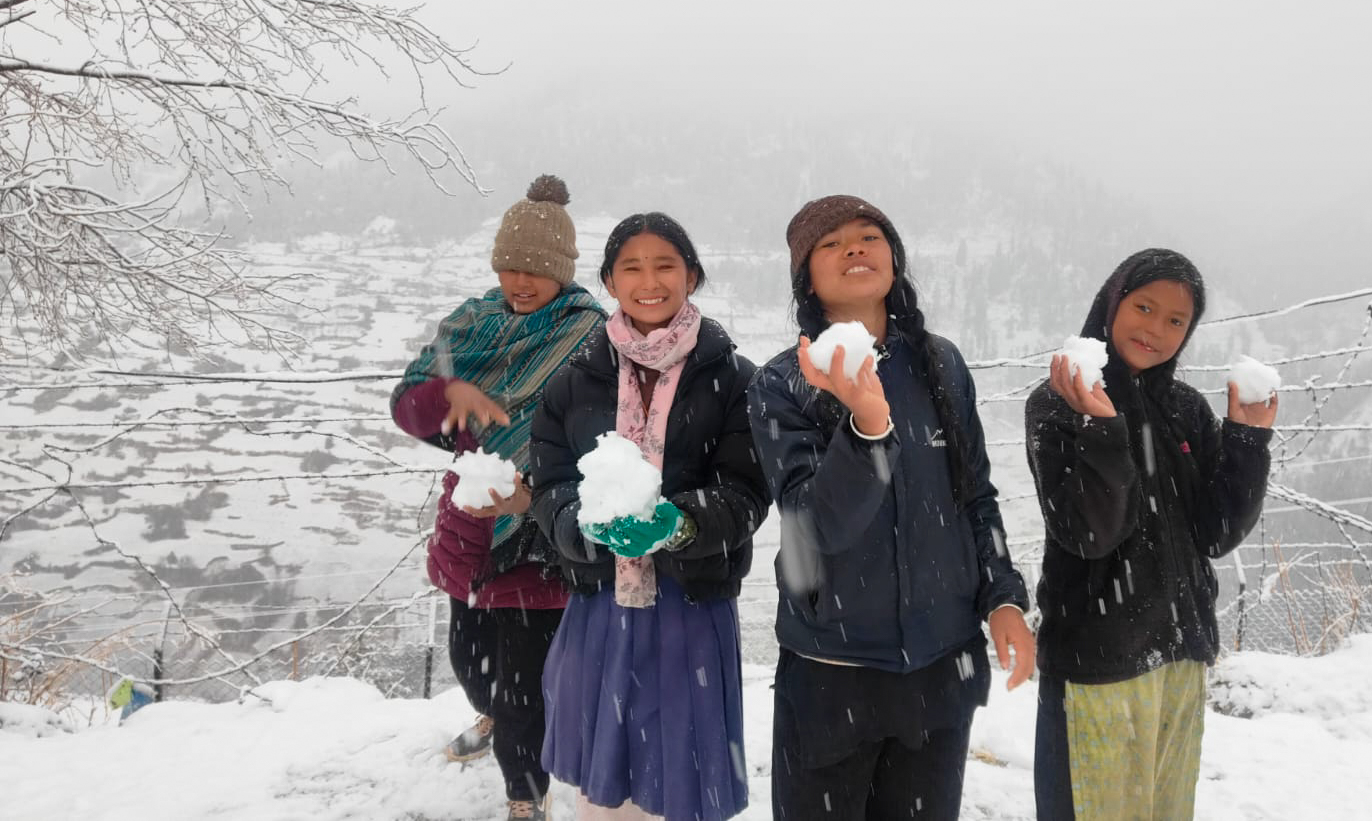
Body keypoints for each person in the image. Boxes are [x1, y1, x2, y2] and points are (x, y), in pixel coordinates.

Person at [746, 194, 1035, 821]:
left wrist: (1003, 598)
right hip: (832, 670)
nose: (853, 247)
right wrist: (868, 428)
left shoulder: (940, 365)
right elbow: (816, 526)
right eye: (831, 243)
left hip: (941, 666)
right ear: (807, 279)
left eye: (869, 236)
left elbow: (975, 496)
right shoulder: (781, 384)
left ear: (894, 260)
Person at [519, 212, 769, 820]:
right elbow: (551, 485)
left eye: (665, 265)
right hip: (601, 604)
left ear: (692, 276)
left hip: (691, 605)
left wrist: (681, 524)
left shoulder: (735, 380)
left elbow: (746, 490)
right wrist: (581, 524)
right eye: (630, 267)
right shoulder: (574, 382)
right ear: (609, 281)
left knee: (683, 774)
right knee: (605, 788)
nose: (648, 281)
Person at [1025, 247, 1277, 820]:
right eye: (1144, 307)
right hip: (1097, 665)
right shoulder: (1059, 403)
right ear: (1112, 303)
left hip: (1179, 655)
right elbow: (1091, 534)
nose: (1156, 329)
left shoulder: (1184, 408)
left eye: (1176, 320)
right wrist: (1102, 426)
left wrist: (1246, 441)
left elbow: (1215, 534)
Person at [391, 175, 605, 821]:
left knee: (523, 689)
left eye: (535, 270)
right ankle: (493, 715)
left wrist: (541, 489)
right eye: (510, 266)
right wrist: (446, 396)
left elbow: (609, 428)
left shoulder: (588, 334)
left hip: (543, 529)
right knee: (469, 660)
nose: (520, 281)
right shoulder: (472, 325)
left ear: (561, 271)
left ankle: (525, 794)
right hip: (474, 526)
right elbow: (407, 405)